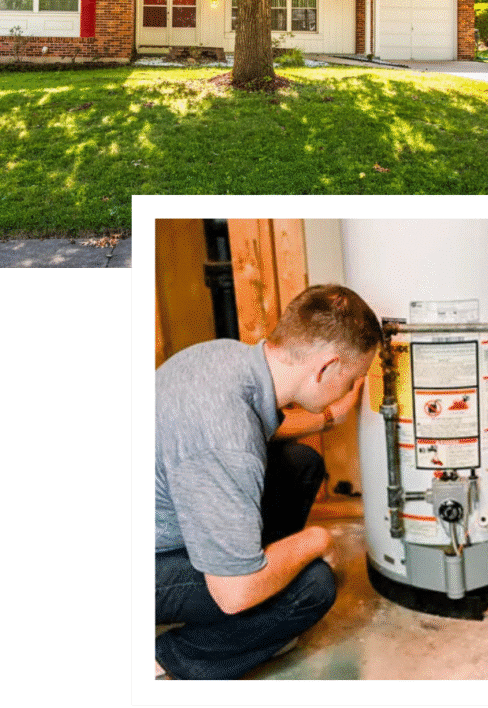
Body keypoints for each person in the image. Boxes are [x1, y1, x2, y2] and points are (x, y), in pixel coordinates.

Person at [154, 283, 383, 680]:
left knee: (301, 463)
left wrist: (329, 417)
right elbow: (233, 592)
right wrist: (317, 540)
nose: (348, 390)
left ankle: (254, 581)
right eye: (352, 379)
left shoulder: (226, 357)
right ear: (326, 367)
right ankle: (166, 659)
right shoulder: (227, 441)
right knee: (311, 587)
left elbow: (259, 426)